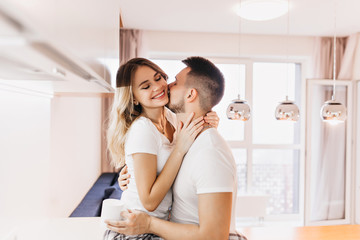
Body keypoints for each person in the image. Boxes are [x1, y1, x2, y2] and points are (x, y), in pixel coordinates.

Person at [105, 57, 247, 240]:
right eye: (145, 86)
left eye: (159, 78)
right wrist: (178, 150)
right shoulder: (143, 129)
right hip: (136, 226)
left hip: (158, 224)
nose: (161, 86)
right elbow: (148, 200)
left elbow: (196, 115)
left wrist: (207, 121)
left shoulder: (172, 119)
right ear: (134, 97)